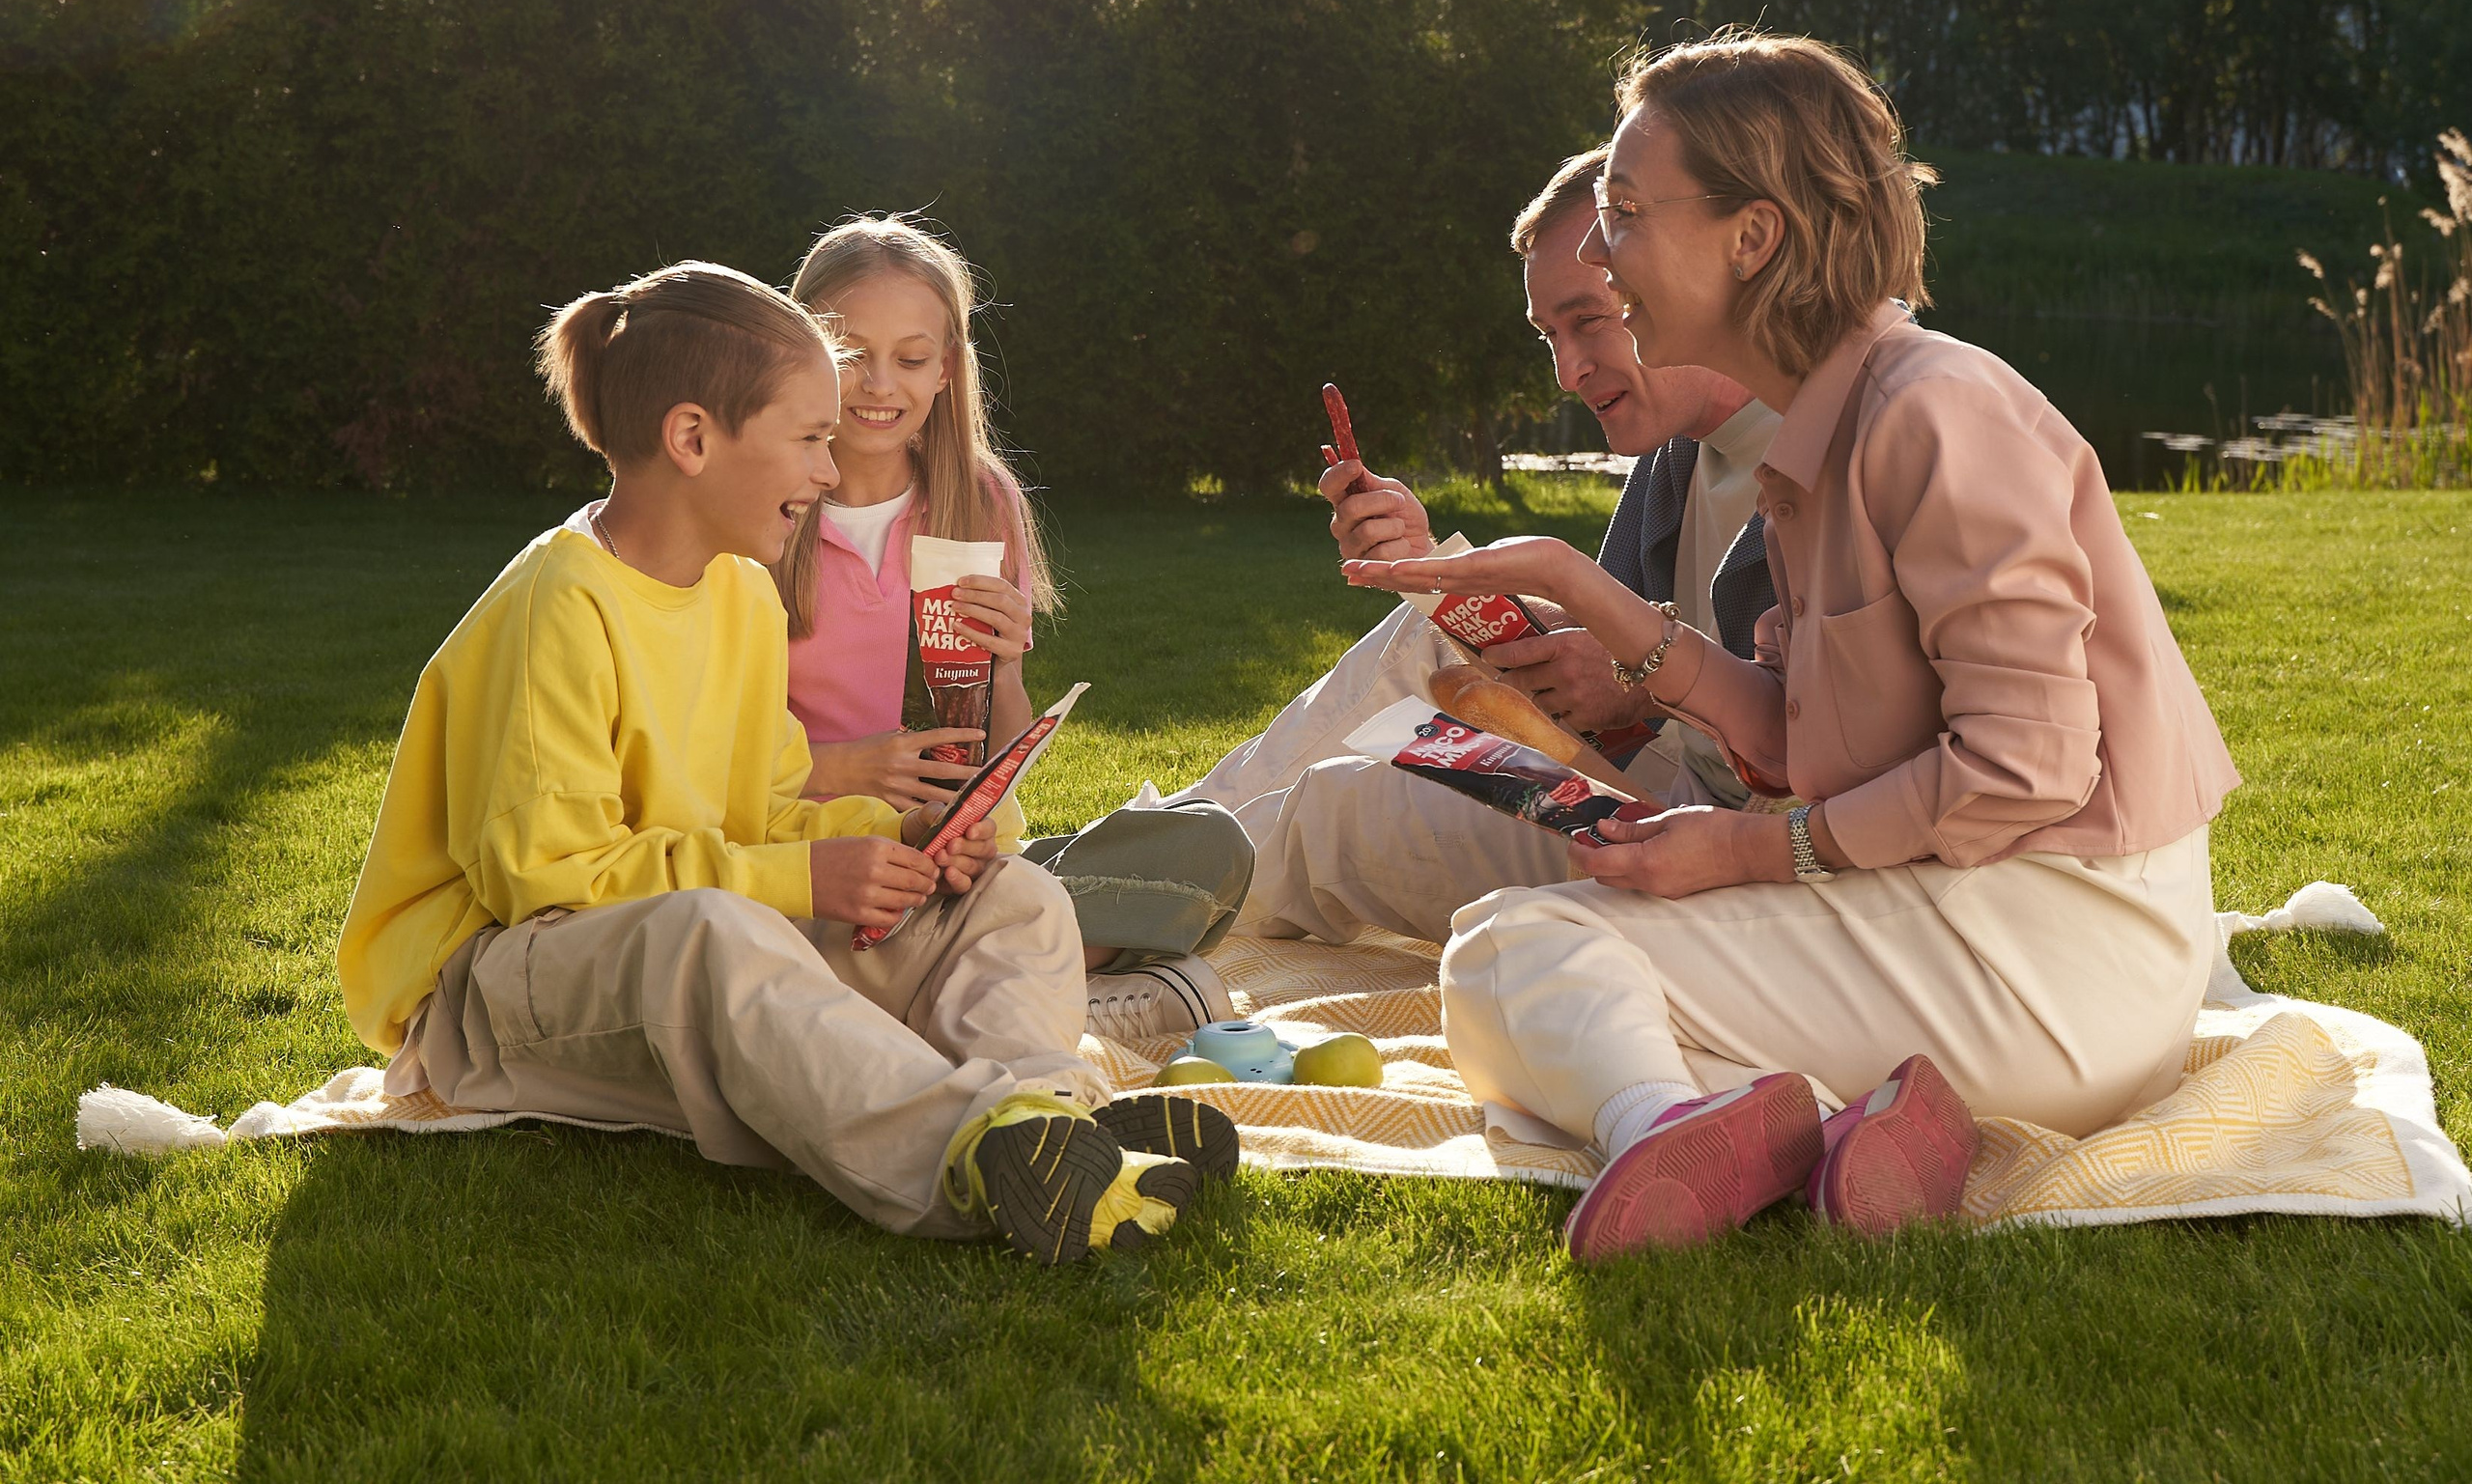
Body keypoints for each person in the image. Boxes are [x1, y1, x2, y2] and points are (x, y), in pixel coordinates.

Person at [1344, 33, 2239, 1258]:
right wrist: (1578, 586)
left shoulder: (1935, 410)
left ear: (1751, 237)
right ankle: (1865, 1130)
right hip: (1971, 928)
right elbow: (1801, 739)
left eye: (1621, 213)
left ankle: (1668, 1129)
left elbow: (2025, 769)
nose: (1600, 256)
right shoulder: (1826, 435)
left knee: (1520, 952)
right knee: (1534, 957)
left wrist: (1756, 853)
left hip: (2057, 946)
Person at [337, 261, 1234, 1267]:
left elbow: (764, 811)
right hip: (489, 1001)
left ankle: (1050, 1117)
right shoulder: (559, 604)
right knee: (709, 927)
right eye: (808, 437)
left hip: (693, 941)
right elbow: (545, 878)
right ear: (692, 438)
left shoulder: (740, 593)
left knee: (1016, 900)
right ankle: (974, 1156)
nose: (824, 466)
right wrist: (801, 877)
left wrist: (899, 843)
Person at [1169, 147, 1783, 947]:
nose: (1567, 371)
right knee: (1423, 639)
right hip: (1660, 779)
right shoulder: (1680, 451)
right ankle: (1128, 857)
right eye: (1547, 334)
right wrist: (1430, 563)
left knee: (1338, 809)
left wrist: (1643, 684)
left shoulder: (1836, 449)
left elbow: (1817, 734)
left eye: (1596, 317)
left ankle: (1105, 902)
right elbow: (1594, 647)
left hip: (1717, 850)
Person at [772, 216, 1251, 1042]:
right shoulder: (761, 508)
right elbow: (705, 762)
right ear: (802, 354)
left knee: (1208, 846)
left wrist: (1003, 671)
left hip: (961, 860)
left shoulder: (982, 501)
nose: (879, 385)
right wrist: (848, 770)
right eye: (851, 356)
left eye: (913, 359)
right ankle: (1029, 988)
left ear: (948, 369)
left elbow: (999, 748)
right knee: (763, 924)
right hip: (813, 859)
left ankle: (976, 976)